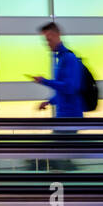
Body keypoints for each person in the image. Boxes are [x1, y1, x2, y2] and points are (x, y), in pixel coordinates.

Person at [26, 21, 83, 171]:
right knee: (59, 154)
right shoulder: (59, 58)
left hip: (71, 117)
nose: (47, 43)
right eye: (45, 40)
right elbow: (63, 91)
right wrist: (49, 102)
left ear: (57, 35)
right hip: (63, 117)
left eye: (49, 39)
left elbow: (70, 87)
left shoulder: (69, 59)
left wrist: (45, 81)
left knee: (53, 152)